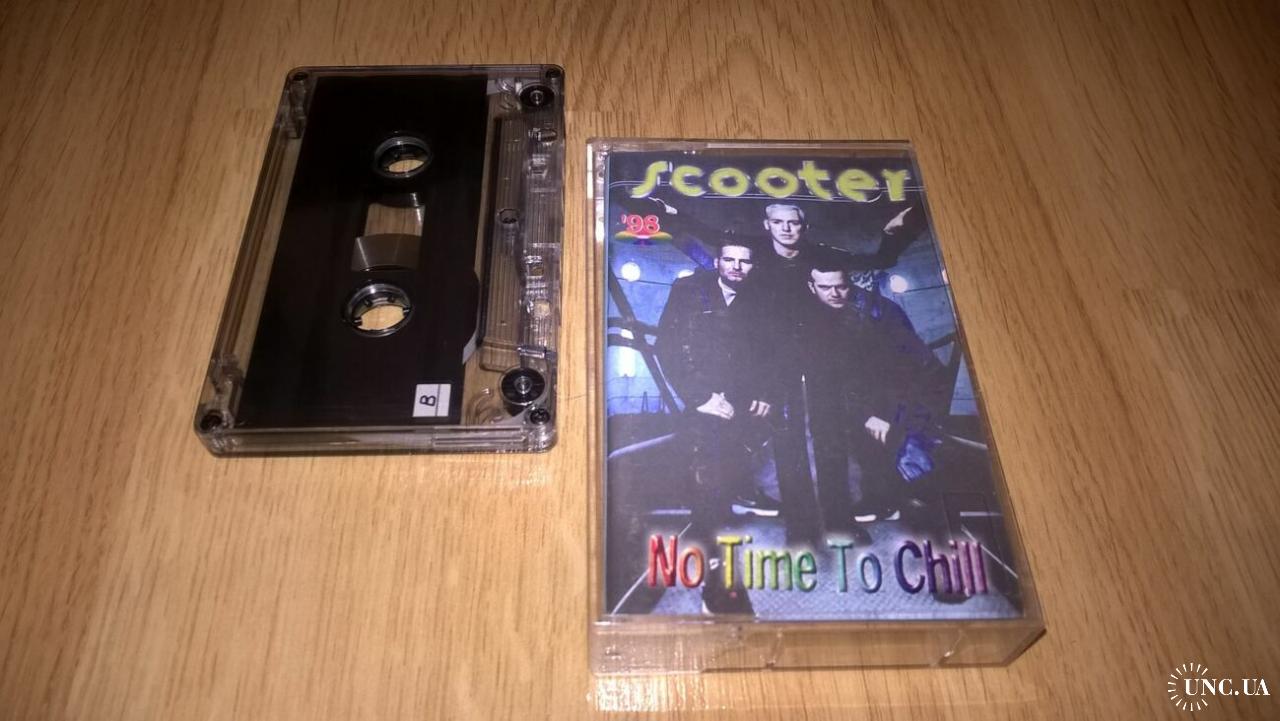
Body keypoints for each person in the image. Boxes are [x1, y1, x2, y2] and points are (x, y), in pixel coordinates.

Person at [654, 237, 772, 614]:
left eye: (745, 261)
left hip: (739, 408)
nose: (737, 267)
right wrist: (700, 397)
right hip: (702, 406)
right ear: (717, 261)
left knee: (727, 485)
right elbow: (666, 347)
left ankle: (720, 557)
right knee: (711, 491)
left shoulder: (760, 298)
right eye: (729, 259)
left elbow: (770, 352)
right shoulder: (689, 290)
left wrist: (763, 391)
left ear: (754, 266)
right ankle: (720, 590)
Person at [802, 255, 951, 531]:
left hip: (907, 387)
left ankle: (912, 497)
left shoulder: (879, 313)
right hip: (871, 392)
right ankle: (881, 500)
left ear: (850, 283)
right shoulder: (818, 315)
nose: (834, 293)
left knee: (904, 446)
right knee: (853, 430)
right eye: (825, 287)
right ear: (812, 287)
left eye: (840, 286)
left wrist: (880, 415)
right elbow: (844, 376)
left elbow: (907, 371)